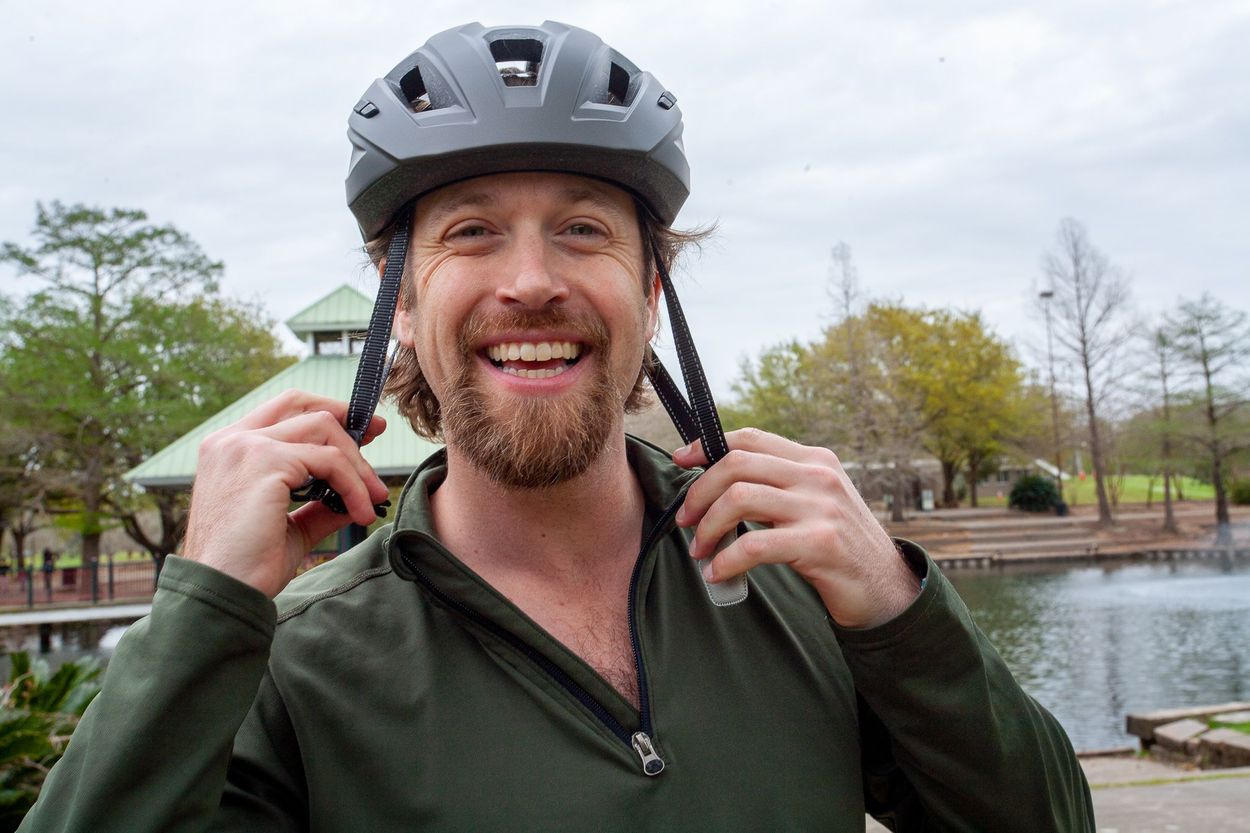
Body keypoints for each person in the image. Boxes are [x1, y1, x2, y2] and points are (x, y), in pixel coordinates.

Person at [20, 21, 1093, 832]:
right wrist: (205, 604)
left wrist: (900, 606)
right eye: (471, 231)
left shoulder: (796, 582)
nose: (529, 282)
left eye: (581, 229)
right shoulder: (296, 659)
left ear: (652, 284)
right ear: (399, 298)